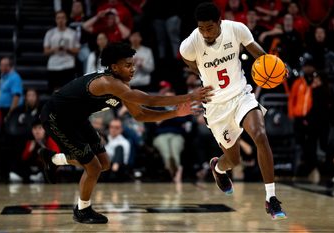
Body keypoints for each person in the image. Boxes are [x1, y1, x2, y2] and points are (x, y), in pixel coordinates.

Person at [38, 42, 213, 224]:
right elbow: (148, 100)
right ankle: (82, 210)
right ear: (114, 67)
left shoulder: (122, 86)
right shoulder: (108, 83)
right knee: (93, 167)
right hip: (57, 117)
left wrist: (175, 113)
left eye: (133, 64)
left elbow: (140, 114)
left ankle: (53, 159)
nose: (133, 69)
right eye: (128, 65)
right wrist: (190, 96)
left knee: (104, 163)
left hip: (78, 118)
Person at [179, 2, 287, 220]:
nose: (205, 33)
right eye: (201, 29)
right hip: (217, 106)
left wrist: (276, 68)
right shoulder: (189, 45)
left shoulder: (236, 29)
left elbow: (261, 55)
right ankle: (218, 168)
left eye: (209, 28)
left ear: (219, 22)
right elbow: (194, 67)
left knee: (260, 135)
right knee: (233, 160)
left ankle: (271, 198)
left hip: (241, 95)